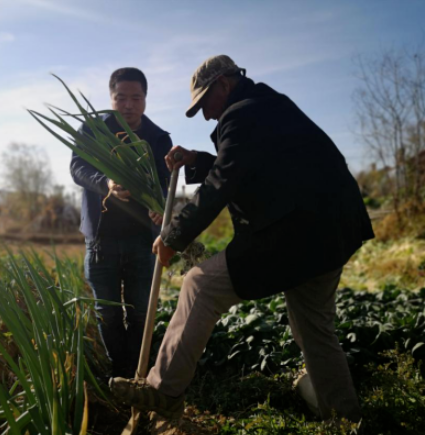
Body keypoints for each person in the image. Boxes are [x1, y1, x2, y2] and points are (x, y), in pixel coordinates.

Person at [110, 55, 374, 423]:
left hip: (293, 235)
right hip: (333, 233)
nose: (205, 115)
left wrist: (174, 237)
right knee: (313, 328)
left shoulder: (243, 114)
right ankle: (344, 418)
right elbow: (247, 163)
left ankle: (163, 390)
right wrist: (197, 160)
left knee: (200, 284)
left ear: (224, 84)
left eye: (205, 103)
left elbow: (223, 182)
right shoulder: (268, 106)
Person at [70, 67, 172, 378]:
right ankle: (121, 370)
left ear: (145, 98)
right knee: (108, 312)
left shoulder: (157, 138)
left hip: (143, 238)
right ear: (111, 98)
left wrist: (161, 209)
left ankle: (137, 371)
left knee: (141, 311)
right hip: (101, 239)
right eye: (121, 98)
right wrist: (107, 183)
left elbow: (167, 184)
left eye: (136, 98)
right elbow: (77, 169)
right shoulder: (92, 131)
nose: (128, 105)